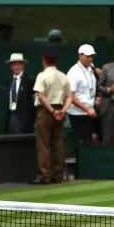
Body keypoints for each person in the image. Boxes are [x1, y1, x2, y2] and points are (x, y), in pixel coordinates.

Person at [31, 51, 72, 184]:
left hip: (46, 112)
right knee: (57, 144)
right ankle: (57, 176)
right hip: (59, 110)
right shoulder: (63, 76)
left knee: (43, 144)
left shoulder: (42, 76)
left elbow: (41, 96)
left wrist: (52, 111)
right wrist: (62, 111)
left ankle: (44, 176)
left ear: (44, 60)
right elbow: (69, 97)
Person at [67, 44, 98, 149]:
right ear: (80, 56)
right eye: (88, 56)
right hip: (78, 114)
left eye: (92, 56)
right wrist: (87, 109)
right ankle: (81, 164)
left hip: (90, 111)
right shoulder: (73, 72)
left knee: (90, 140)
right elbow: (71, 96)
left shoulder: (91, 68)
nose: (91, 58)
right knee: (83, 142)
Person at [5, 52, 36, 134]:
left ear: (23, 65)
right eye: (14, 64)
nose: (16, 67)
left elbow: (34, 100)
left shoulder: (30, 80)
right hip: (12, 115)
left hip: (25, 117)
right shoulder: (9, 80)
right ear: (11, 66)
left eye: (19, 64)